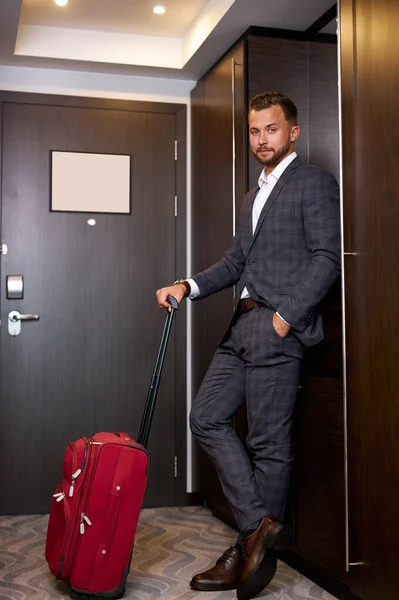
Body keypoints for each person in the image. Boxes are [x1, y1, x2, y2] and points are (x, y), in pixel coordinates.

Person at [156, 91, 340, 600]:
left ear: (293, 132)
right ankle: (258, 528)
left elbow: (327, 257)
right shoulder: (252, 195)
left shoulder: (314, 183)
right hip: (240, 325)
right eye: (255, 131)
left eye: (272, 130)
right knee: (206, 416)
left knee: (267, 444)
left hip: (277, 328)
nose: (262, 140)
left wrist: (285, 317)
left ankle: (247, 554)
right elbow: (236, 263)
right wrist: (186, 286)